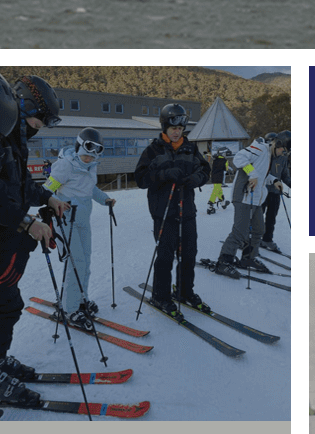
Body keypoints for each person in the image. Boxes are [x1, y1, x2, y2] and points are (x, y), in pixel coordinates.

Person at [0, 76, 67, 401]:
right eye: (37, 121)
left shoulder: (13, 138)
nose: (37, 128)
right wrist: (27, 222)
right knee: (4, 306)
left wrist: (47, 198)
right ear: (20, 107)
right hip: (5, 234)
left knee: (7, 305)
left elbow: (21, 182)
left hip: (9, 239)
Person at [132, 102, 210, 318]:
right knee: (165, 256)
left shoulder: (190, 148)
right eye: (173, 128)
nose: (177, 132)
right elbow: (140, 179)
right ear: (165, 127)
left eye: (180, 129)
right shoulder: (153, 150)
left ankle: (184, 291)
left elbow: (205, 170)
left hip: (187, 212)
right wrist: (164, 175)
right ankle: (160, 295)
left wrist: (197, 178)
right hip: (164, 213)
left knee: (188, 255)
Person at [44, 127, 116, 332]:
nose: (88, 158)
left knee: (86, 261)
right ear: (77, 147)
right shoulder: (65, 166)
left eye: (92, 155)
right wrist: (57, 202)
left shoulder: (90, 167)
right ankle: (69, 308)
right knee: (76, 263)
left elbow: (90, 189)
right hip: (65, 220)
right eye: (85, 154)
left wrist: (105, 199)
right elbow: (46, 190)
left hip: (83, 219)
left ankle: (80, 299)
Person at [212, 132, 288, 278]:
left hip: (256, 198)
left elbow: (262, 175)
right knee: (240, 231)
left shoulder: (269, 157)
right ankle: (224, 261)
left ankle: (248, 258)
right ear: (278, 144)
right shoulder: (260, 148)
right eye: (283, 149)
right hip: (244, 196)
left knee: (259, 229)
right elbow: (238, 158)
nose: (284, 153)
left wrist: (274, 180)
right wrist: (252, 174)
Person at [259, 131, 289, 255]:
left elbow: (285, 175)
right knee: (257, 217)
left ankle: (267, 239)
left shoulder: (283, 158)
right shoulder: (264, 155)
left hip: (275, 193)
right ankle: (251, 239)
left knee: (271, 218)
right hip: (262, 191)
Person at [205, 145, 229, 213]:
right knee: (216, 190)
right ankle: (210, 204)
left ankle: (223, 202)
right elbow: (226, 169)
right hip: (219, 177)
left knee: (218, 189)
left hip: (213, 176)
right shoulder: (225, 160)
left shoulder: (215, 159)